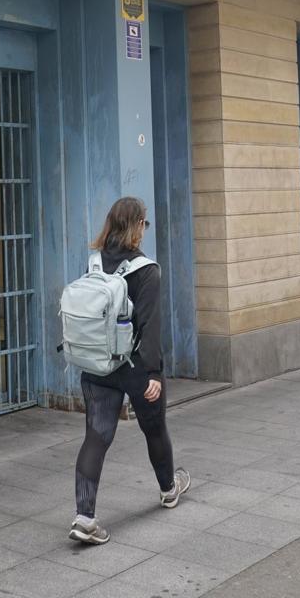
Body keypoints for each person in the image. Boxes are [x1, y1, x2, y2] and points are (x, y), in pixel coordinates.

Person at [69, 196, 191, 545]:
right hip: (138, 369)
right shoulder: (146, 270)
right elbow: (151, 325)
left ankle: (85, 518)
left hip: (98, 365)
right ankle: (169, 489)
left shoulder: (93, 263)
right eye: (145, 223)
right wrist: (154, 373)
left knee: (96, 438)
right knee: (154, 429)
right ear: (138, 226)